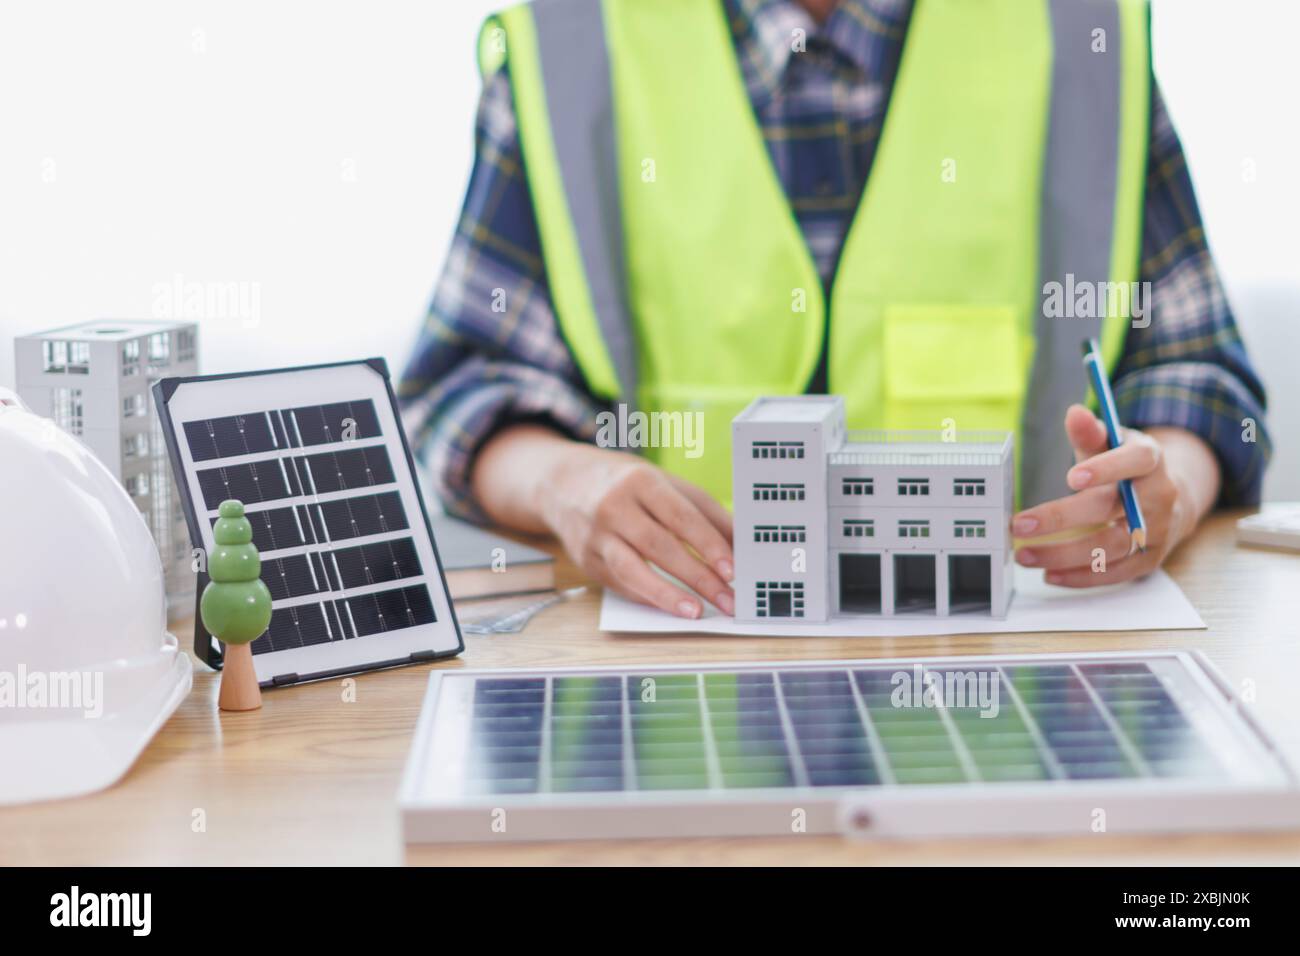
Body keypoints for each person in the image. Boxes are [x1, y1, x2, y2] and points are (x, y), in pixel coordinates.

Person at [400, 0, 1270, 619]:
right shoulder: (571, 46)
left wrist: (1173, 489)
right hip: (680, 676)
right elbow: (459, 392)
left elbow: (1200, 375)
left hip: (1010, 679)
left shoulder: (1076, 35)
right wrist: (565, 482)